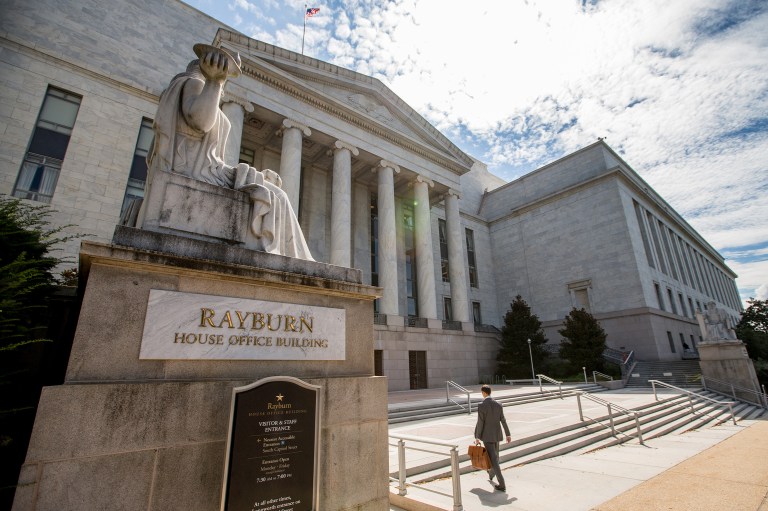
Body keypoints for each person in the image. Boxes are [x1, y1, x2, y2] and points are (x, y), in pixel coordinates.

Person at [140, 44, 313, 260]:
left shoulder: (193, 87)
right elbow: (200, 121)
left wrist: (256, 174)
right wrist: (215, 81)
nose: (225, 88)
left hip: (206, 172)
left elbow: (211, 155)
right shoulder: (193, 83)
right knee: (277, 196)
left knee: (273, 192)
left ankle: (297, 260)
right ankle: (295, 260)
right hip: (198, 175)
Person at [474, 384, 511, 492]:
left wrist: (477, 436)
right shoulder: (498, 404)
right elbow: (503, 420)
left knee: (494, 460)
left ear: (484, 393)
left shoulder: (481, 405)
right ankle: (491, 474)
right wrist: (508, 434)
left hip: (487, 436)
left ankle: (502, 484)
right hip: (496, 435)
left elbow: (480, 422)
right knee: (495, 457)